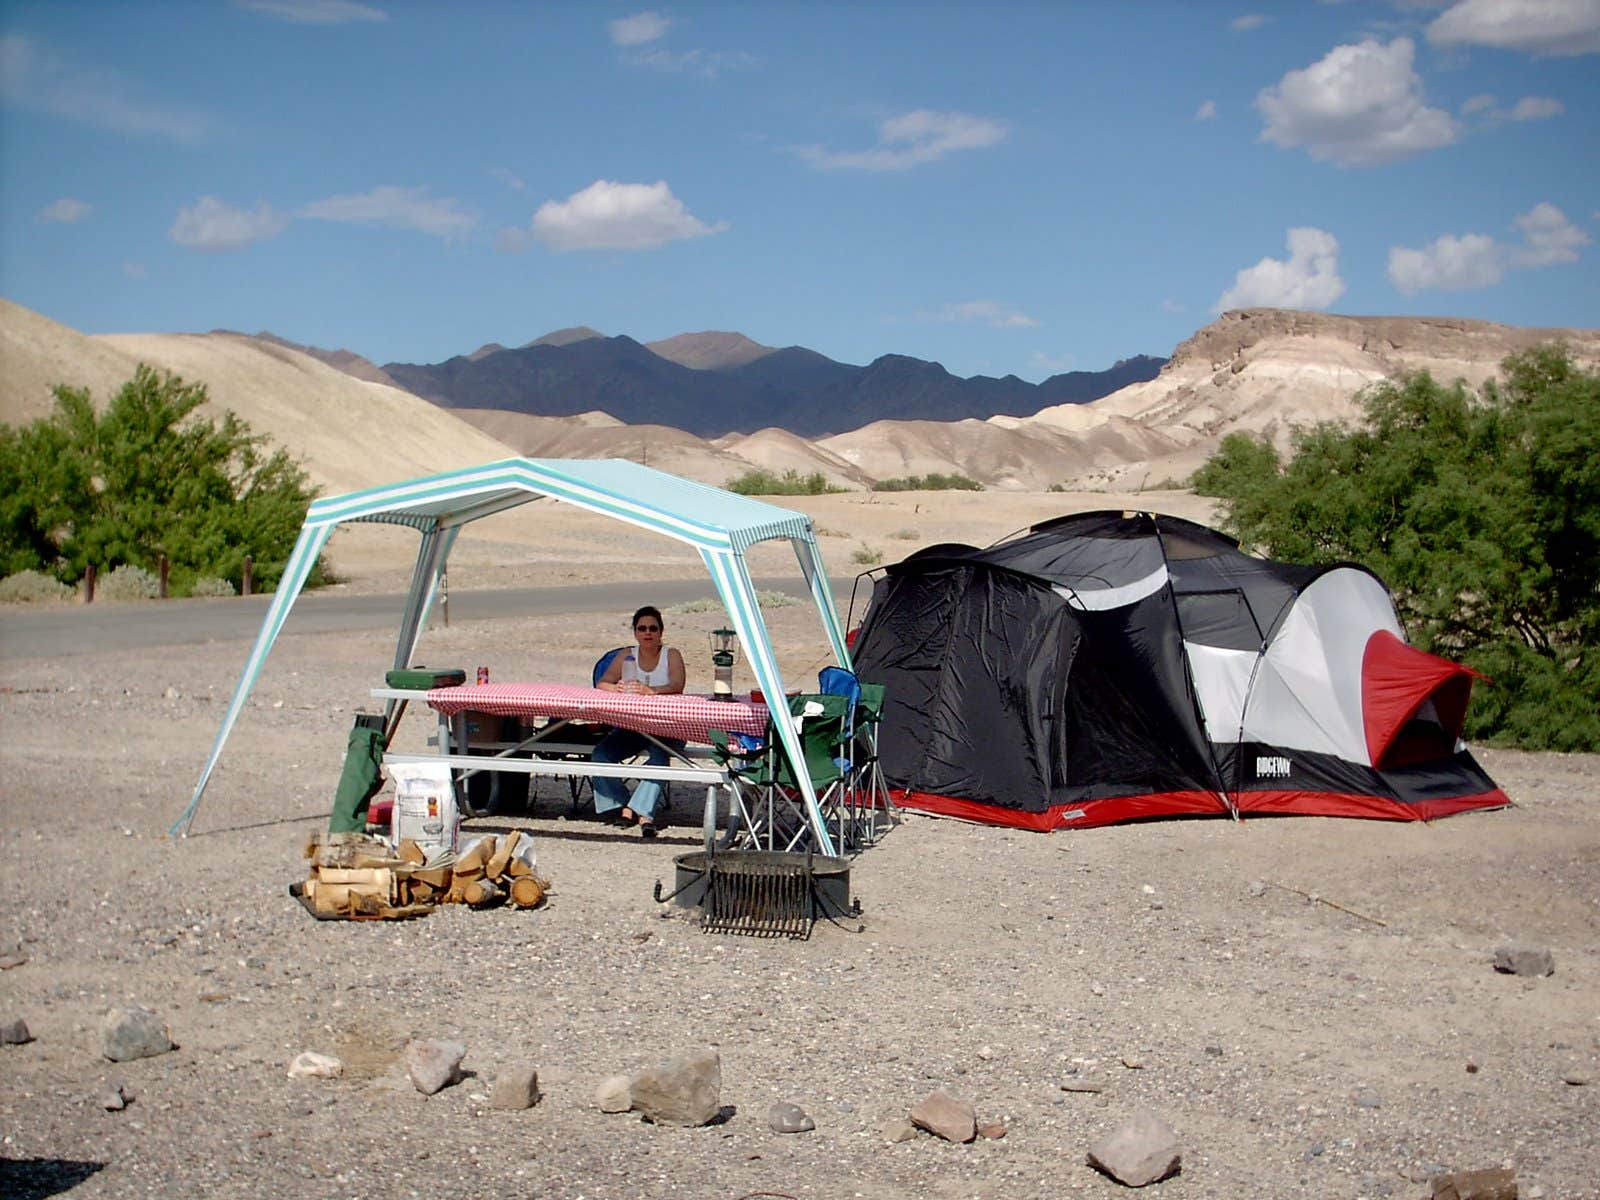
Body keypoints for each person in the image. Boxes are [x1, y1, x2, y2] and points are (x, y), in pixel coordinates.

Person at [591, 605, 686, 837]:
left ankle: (643, 813)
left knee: (659, 759)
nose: (648, 633)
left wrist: (650, 691)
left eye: (653, 628)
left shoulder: (671, 655)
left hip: (665, 727)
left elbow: (677, 685)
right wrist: (616, 687)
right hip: (631, 726)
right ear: (635, 632)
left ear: (661, 632)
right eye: (642, 628)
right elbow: (602, 683)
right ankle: (626, 804)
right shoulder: (626, 655)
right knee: (600, 756)